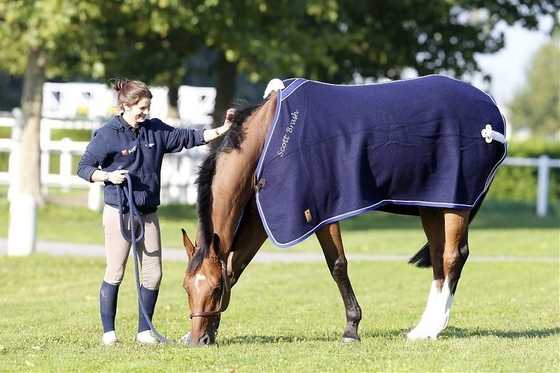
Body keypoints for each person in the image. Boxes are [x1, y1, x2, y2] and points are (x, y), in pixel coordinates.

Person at [77, 78, 234, 345]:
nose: (146, 112)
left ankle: (143, 332)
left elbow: (189, 137)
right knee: (116, 271)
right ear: (125, 105)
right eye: (141, 107)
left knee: (154, 274)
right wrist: (107, 176)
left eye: (148, 107)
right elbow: (84, 167)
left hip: (148, 213)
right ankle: (109, 334)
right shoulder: (108, 134)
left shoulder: (155, 131)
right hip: (119, 212)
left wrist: (222, 129)